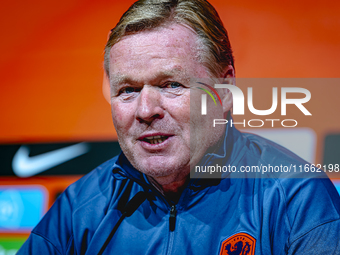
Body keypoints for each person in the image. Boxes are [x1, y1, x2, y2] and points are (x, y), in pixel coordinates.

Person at [18, 0, 340, 254]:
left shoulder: (296, 198)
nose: (145, 110)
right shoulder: (79, 208)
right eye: (127, 90)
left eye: (171, 84)